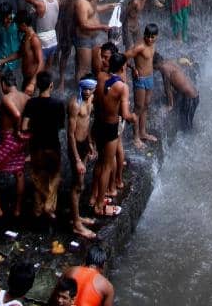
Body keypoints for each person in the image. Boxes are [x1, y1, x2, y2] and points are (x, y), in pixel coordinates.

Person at [91, 51, 135, 218]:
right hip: (110, 127)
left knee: (99, 162)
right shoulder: (122, 87)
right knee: (107, 166)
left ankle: (94, 196)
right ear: (123, 67)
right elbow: (124, 113)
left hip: (98, 124)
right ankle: (100, 205)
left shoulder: (100, 76)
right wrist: (133, 118)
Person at [0, 69, 30, 219]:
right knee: (19, 172)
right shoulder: (26, 97)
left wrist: (17, 130)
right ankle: (17, 209)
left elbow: (17, 115)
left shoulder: (7, 98)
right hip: (22, 140)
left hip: (10, 139)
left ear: (4, 84)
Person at [21, 70, 64, 221]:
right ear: (51, 85)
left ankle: (38, 209)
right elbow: (60, 126)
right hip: (53, 146)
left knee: (38, 177)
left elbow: (24, 126)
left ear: (38, 86)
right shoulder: (58, 104)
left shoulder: (31, 103)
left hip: (36, 147)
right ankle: (49, 208)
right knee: (53, 177)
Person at [67, 79, 98, 239]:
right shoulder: (75, 104)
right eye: (84, 89)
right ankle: (77, 225)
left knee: (81, 184)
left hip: (84, 144)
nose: (87, 92)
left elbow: (87, 123)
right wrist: (77, 159)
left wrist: (90, 143)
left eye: (90, 89)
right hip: (76, 148)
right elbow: (70, 134)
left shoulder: (91, 99)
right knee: (77, 185)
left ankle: (77, 217)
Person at [13, 0, 61, 67]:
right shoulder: (56, 0)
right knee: (48, 69)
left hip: (42, 41)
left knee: (37, 68)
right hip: (53, 39)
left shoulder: (39, 4)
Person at [125, 24, 159, 148]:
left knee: (146, 106)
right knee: (138, 107)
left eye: (152, 37)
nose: (150, 39)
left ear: (157, 36)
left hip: (150, 78)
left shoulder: (153, 44)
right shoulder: (139, 46)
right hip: (140, 80)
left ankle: (143, 132)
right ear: (144, 35)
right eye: (147, 36)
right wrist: (133, 68)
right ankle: (136, 137)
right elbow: (124, 57)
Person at [73, 0, 114, 81]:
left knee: (97, 65)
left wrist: (109, 6)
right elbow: (83, 25)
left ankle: (95, 88)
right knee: (84, 69)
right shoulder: (81, 3)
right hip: (84, 38)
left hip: (95, 37)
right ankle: (81, 93)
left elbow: (95, 9)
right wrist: (101, 27)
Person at [155, 54, 200, 130]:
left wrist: (170, 105)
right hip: (193, 95)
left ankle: (189, 135)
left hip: (190, 99)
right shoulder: (168, 62)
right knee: (187, 121)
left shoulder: (164, 69)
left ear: (156, 64)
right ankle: (191, 131)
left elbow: (168, 89)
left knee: (185, 125)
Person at [0, 2, 21, 80]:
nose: (5, 20)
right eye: (3, 18)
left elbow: (23, 43)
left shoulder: (18, 22)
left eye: (8, 18)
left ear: (11, 13)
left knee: (11, 83)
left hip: (14, 60)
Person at [14, 11, 43, 97]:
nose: (16, 27)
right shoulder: (25, 36)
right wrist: (2, 61)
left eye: (18, 25)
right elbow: (20, 53)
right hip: (26, 79)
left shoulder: (34, 39)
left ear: (23, 25)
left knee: (31, 107)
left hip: (33, 80)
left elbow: (41, 62)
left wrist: (33, 83)